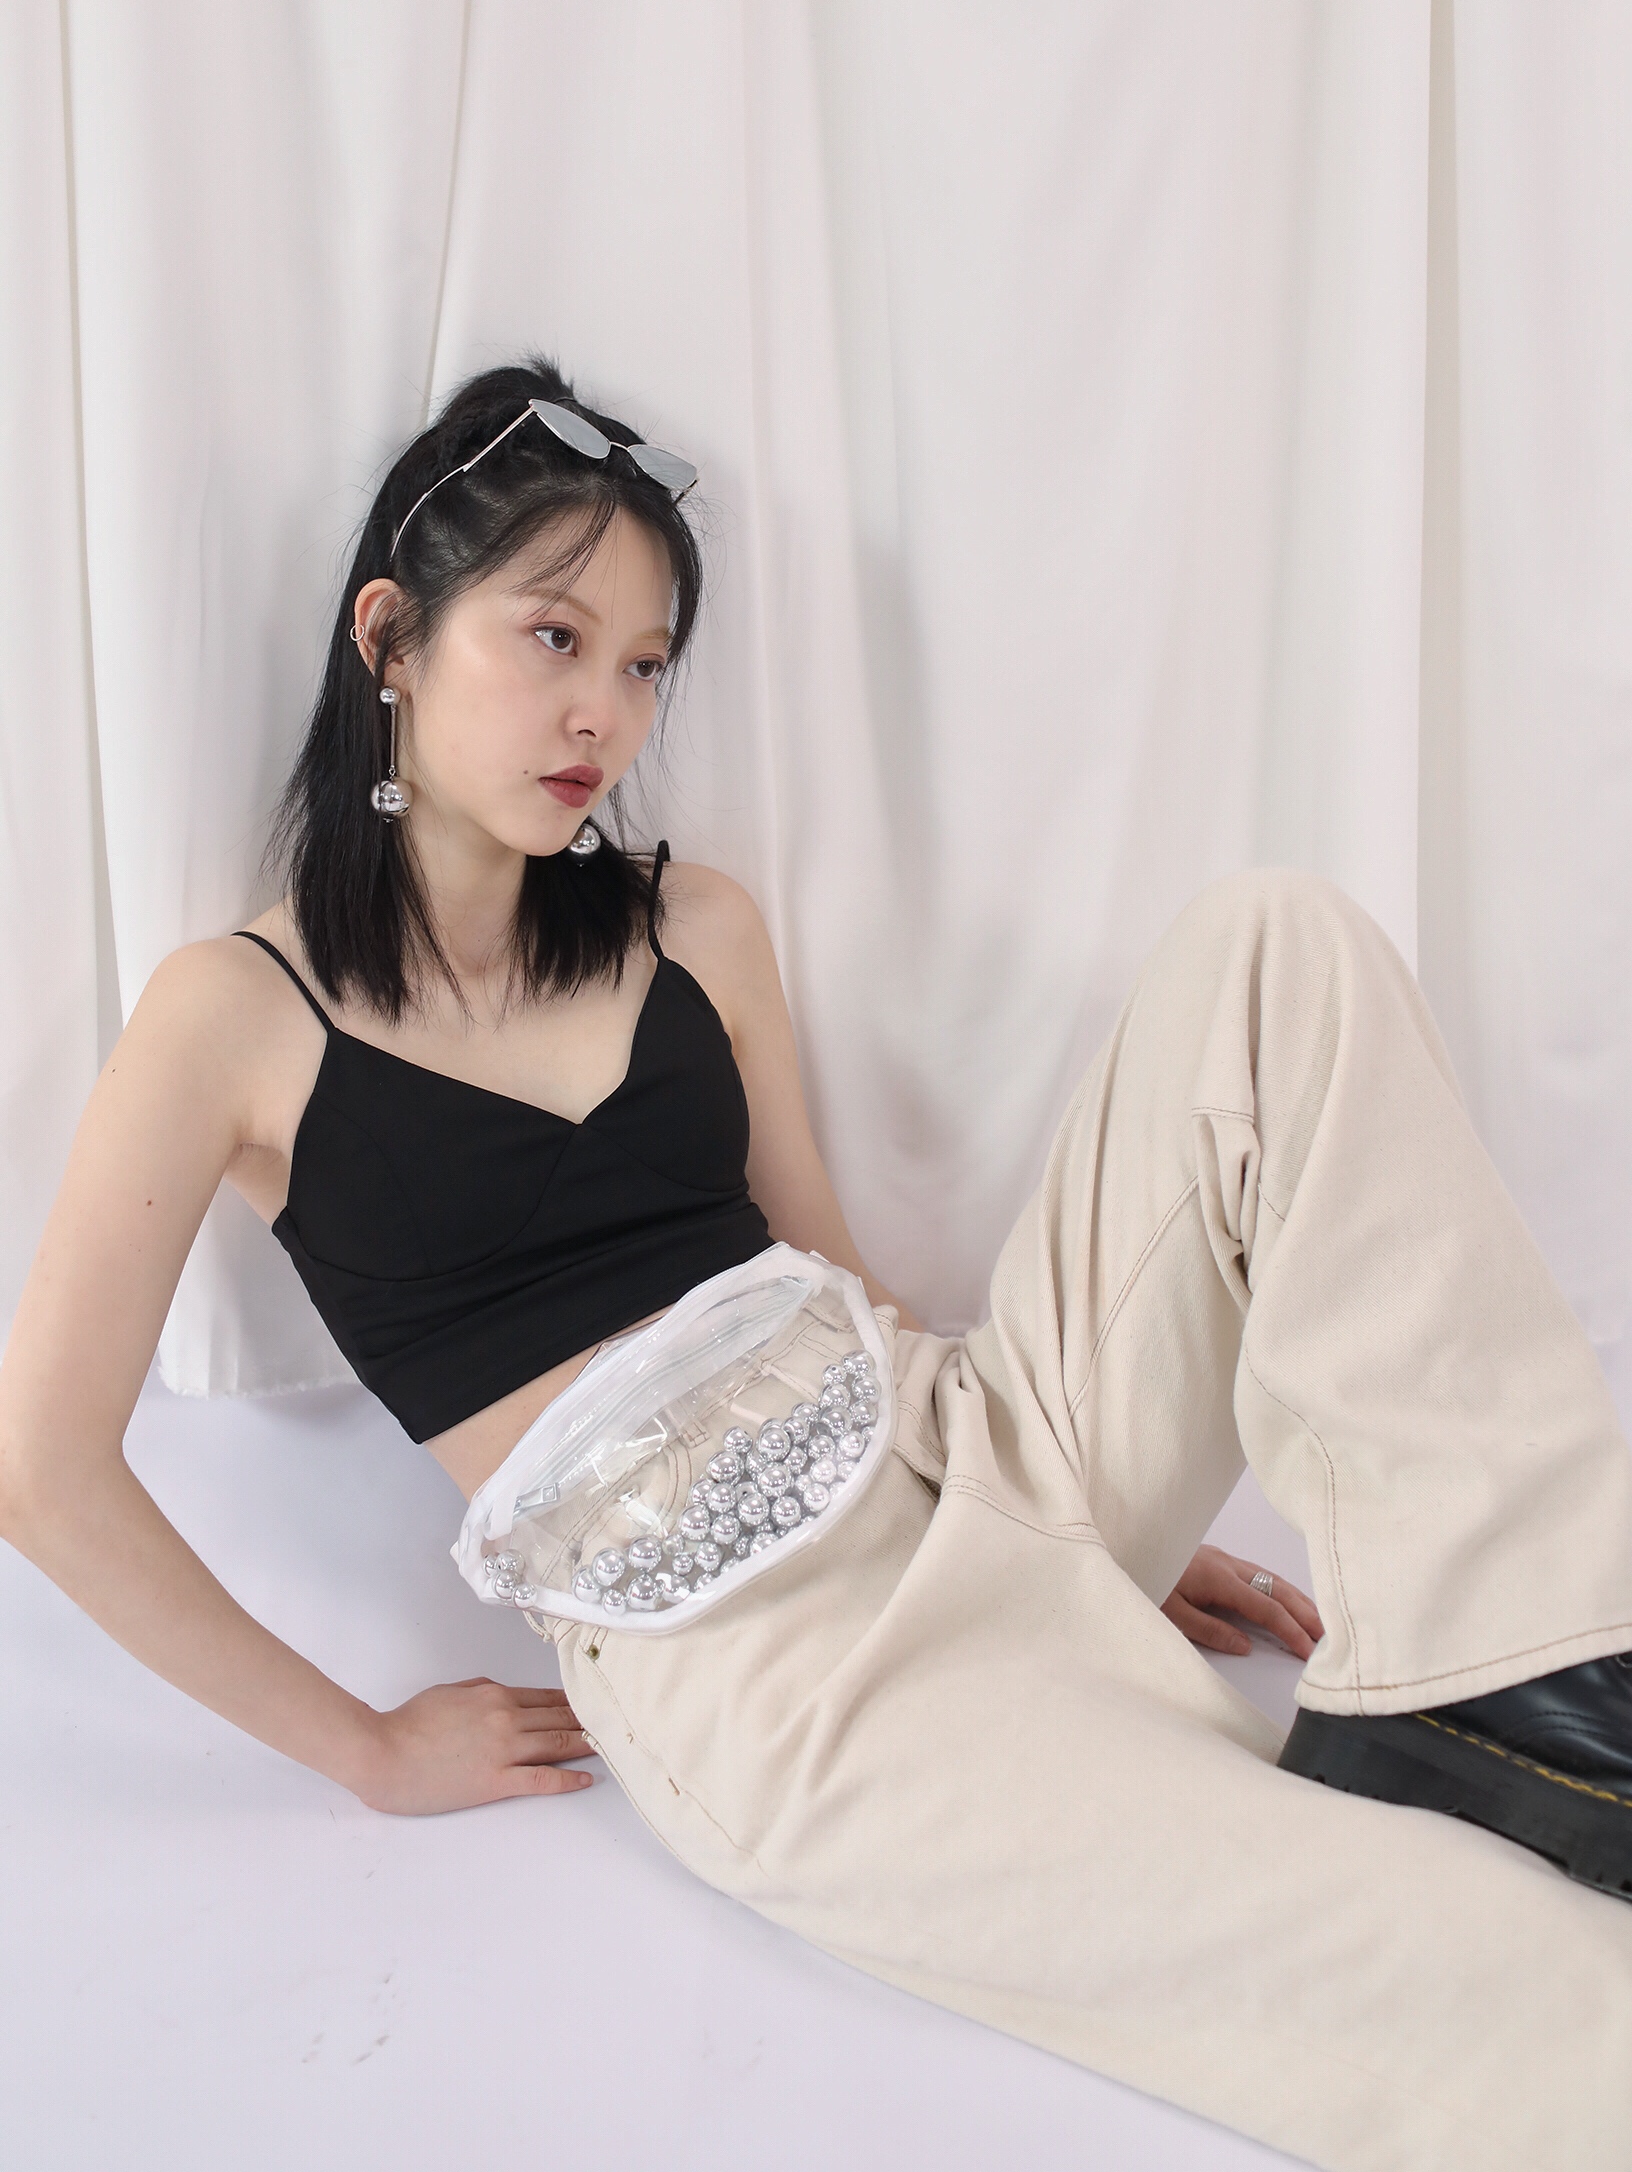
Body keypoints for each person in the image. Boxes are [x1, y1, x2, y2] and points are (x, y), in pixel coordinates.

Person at [4, 357, 1632, 2172]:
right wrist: (365, 1750)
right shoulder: (231, 1018)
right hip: (771, 1667)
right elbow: (42, 1470)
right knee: (1470, 1963)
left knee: (1280, 948)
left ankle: (1512, 1674)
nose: (605, 711)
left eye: (645, 664)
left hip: (959, 1446)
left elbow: (832, 1269)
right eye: (554, 638)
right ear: (390, 634)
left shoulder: (693, 924)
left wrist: (1101, 1500)